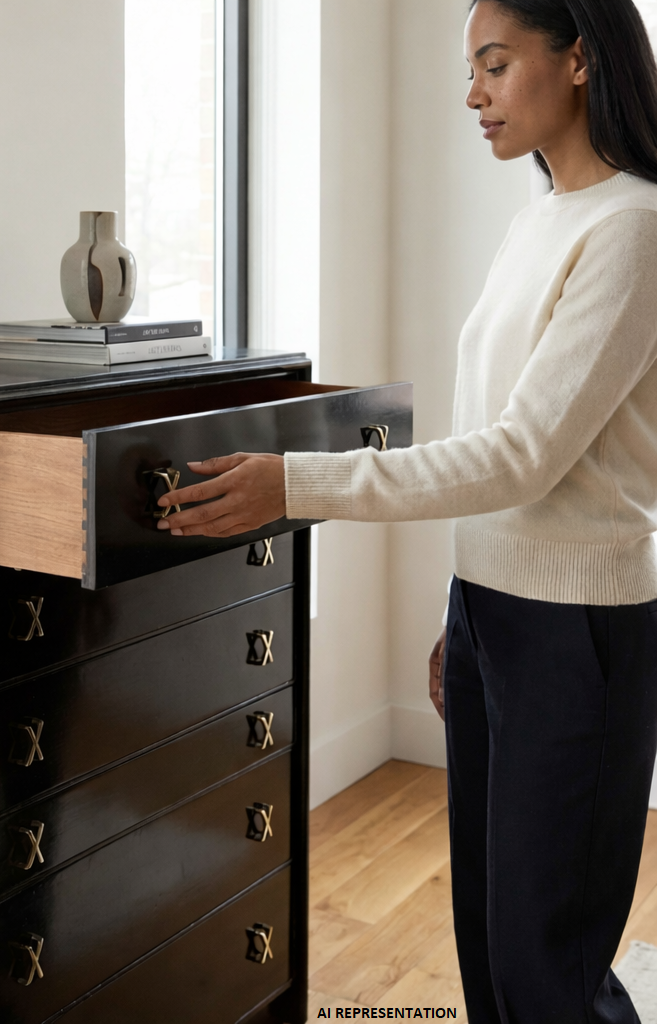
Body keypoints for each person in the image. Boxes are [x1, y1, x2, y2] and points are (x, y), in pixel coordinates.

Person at [155, 1, 657, 1020]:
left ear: (578, 60)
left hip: (579, 638)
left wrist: (294, 484)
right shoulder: (542, 218)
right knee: (488, 946)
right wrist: (461, 607)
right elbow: (505, 445)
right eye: (471, 66)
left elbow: (521, 456)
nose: (471, 92)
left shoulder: (633, 232)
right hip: (495, 619)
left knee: (542, 965)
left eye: (494, 62)